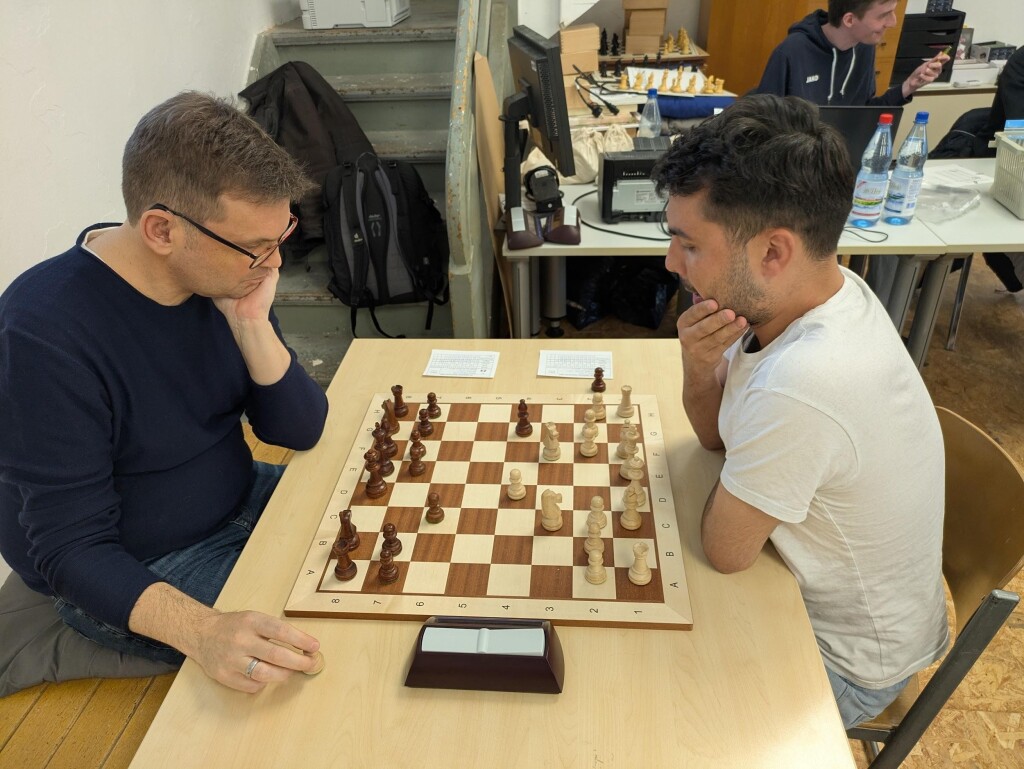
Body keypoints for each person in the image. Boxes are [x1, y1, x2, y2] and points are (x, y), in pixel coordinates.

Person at [0, 92, 330, 694]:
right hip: (137, 562)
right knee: (327, 650)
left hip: (240, 494)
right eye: (258, 246)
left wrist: (251, 324)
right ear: (162, 230)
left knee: (391, 560)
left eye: (282, 234)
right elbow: (70, 549)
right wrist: (203, 632)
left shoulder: (223, 279)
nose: (276, 262)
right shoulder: (42, 333)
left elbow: (298, 430)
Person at [652, 94, 949, 729]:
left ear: (773, 253)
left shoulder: (805, 381)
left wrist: (737, 465)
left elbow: (725, 549)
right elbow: (715, 439)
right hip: (822, 598)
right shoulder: (819, 293)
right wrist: (701, 369)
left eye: (688, 244)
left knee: (652, 705)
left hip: (845, 662)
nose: (672, 263)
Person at [753, 0, 949, 106]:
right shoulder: (792, 51)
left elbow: (864, 113)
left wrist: (909, 86)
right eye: (883, 15)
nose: (892, 22)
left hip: (844, 160)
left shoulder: (864, 46)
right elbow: (760, 124)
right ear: (849, 20)